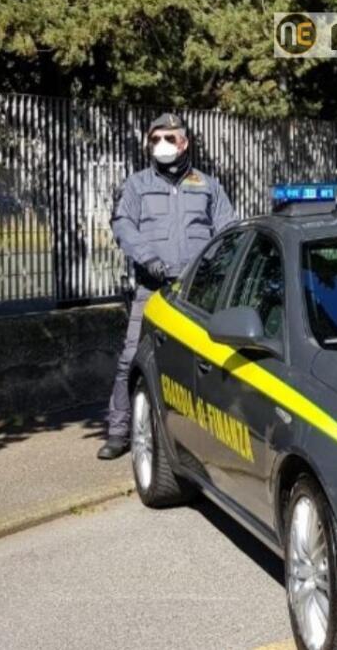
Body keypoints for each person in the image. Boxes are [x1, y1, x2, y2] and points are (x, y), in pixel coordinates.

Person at [99, 113, 236, 460]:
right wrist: (148, 259)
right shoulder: (137, 185)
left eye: (169, 138)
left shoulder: (207, 185)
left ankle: (207, 434)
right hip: (153, 287)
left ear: (184, 142)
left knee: (207, 362)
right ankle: (118, 431)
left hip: (198, 292)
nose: (161, 144)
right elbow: (123, 224)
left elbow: (227, 230)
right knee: (131, 357)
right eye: (155, 138)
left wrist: (210, 267)